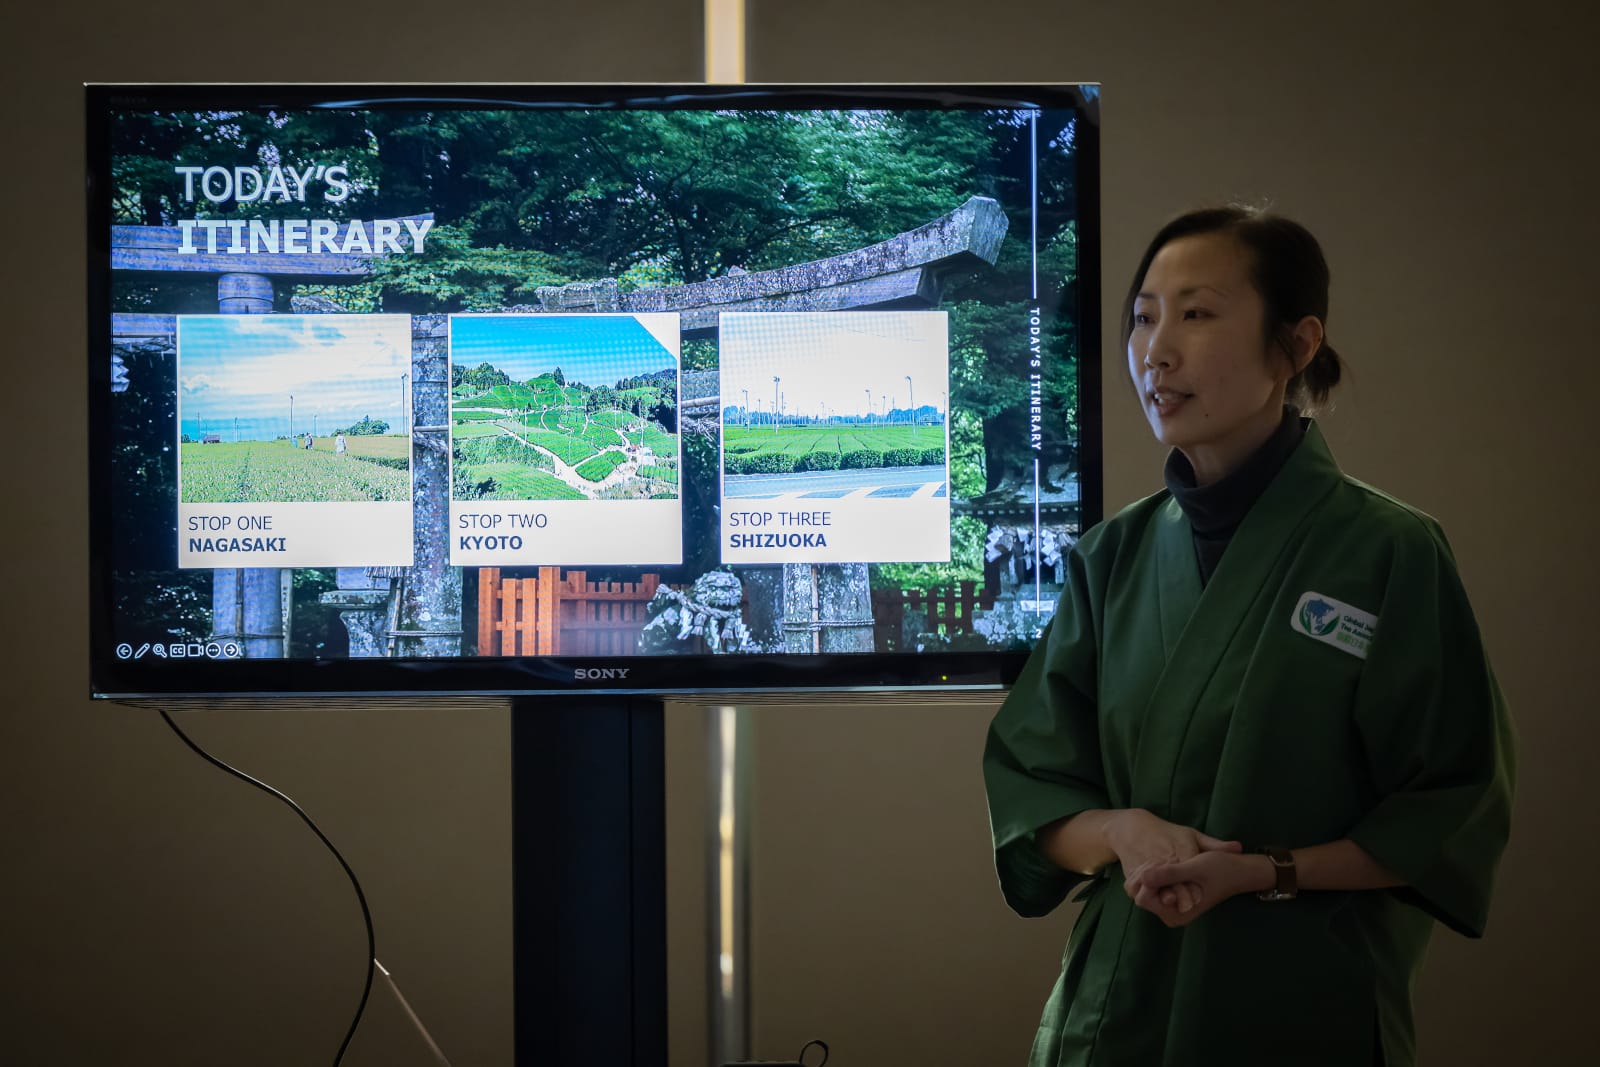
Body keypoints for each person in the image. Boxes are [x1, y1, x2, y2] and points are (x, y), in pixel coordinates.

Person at [983, 206, 1514, 1067]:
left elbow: (1448, 808)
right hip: (1116, 1010)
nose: (1157, 349)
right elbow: (1034, 791)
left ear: (1296, 346)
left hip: (1296, 1002)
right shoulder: (1110, 556)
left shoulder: (1389, 552)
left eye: (1195, 313)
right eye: (1144, 315)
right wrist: (1122, 832)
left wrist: (1265, 869)